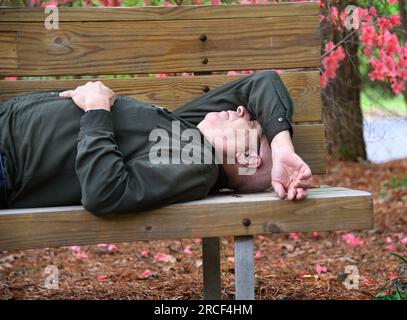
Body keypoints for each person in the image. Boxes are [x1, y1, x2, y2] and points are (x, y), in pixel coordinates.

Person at [0, 71, 312, 216]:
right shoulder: (190, 135)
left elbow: (105, 193)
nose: (242, 107)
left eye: (250, 122)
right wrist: (283, 148)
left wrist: (96, 109)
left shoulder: (196, 162)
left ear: (247, 158)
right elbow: (261, 82)